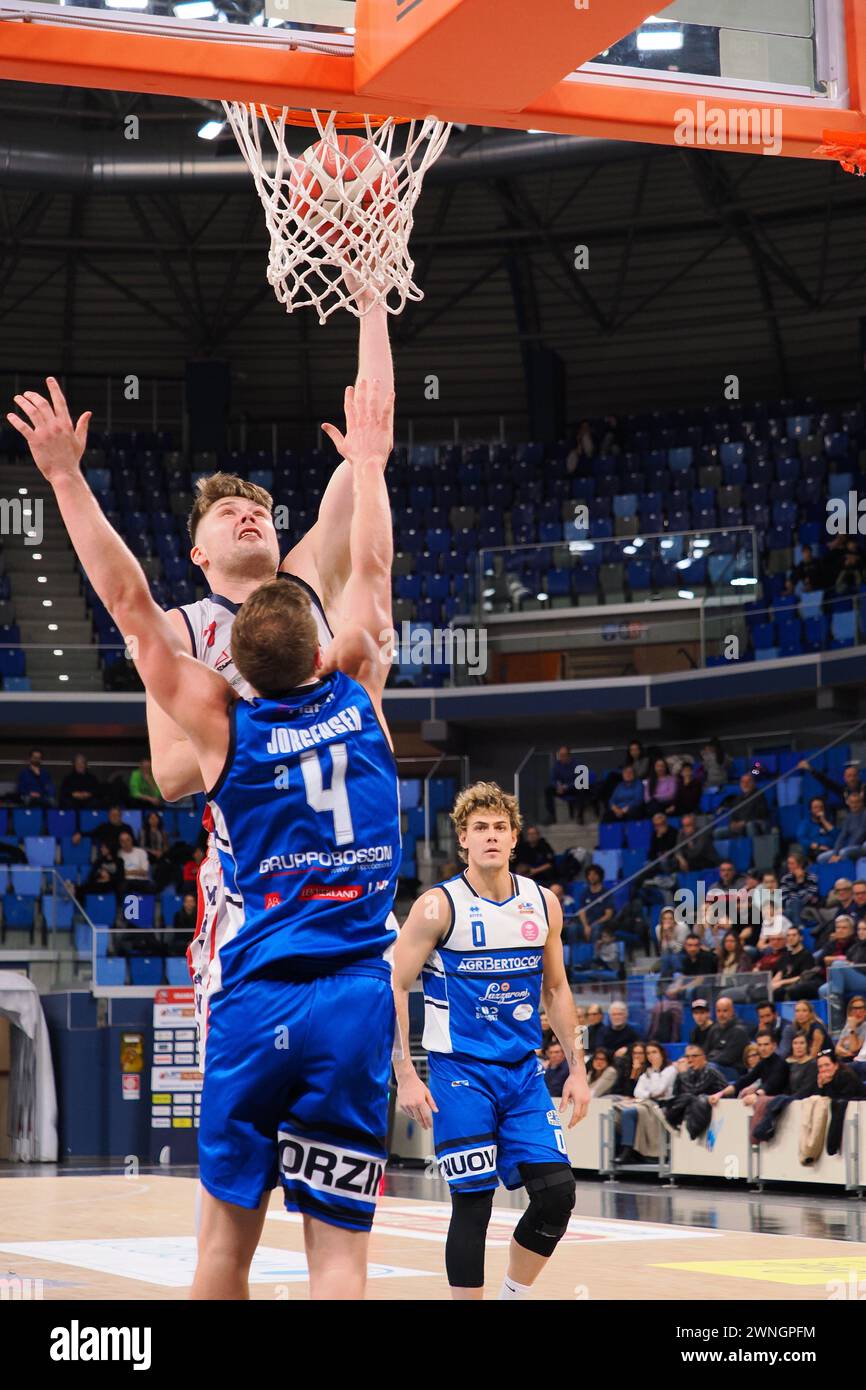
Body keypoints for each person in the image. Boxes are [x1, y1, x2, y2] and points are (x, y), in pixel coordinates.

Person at [13, 373, 402, 1303]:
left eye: (256, 513)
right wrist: (372, 462)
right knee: (335, 1254)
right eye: (227, 513)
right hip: (319, 960)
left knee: (222, 1246)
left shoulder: (250, 672)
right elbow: (374, 580)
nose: (246, 520)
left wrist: (66, 478)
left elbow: (127, 602)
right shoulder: (342, 683)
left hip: (263, 961)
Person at [392, 781, 589, 1302]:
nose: (491, 836)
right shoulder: (438, 907)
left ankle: (512, 1295)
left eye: (500, 827)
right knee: (473, 1203)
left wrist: (578, 1068)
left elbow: (557, 988)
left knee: (557, 1195)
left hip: (523, 1073)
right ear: (463, 839)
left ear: (515, 837)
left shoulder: (543, 903)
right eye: (480, 828)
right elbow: (394, 984)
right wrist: (406, 1073)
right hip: (460, 1073)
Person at [658, 1045, 728, 1140]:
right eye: (687, 1057)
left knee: (688, 1097)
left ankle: (669, 1118)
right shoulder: (690, 1072)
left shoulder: (710, 1071)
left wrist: (682, 1074)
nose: (690, 1060)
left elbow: (694, 1091)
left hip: (722, 1109)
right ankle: (669, 1118)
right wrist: (680, 1075)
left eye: (694, 1056)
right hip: (699, 1109)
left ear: (703, 1057)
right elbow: (676, 1093)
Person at [709, 1030, 789, 1105]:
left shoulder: (781, 1063)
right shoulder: (762, 1063)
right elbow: (745, 1080)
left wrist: (755, 1095)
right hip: (765, 1103)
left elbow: (770, 1085)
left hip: (780, 1105)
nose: (762, 1048)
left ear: (774, 1045)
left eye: (766, 1044)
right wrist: (720, 1094)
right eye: (759, 1045)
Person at [703, 996, 751, 1080]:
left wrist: (706, 1061)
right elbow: (705, 1051)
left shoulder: (739, 1031)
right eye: (718, 1011)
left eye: (725, 1011)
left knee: (709, 1068)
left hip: (734, 1070)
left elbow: (728, 1058)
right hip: (714, 1064)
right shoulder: (714, 1029)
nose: (721, 1014)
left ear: (732, 1011)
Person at [771, 924, 819, 1002]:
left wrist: (781, 983)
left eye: (794, 935)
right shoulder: (785, 955)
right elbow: (779, 974)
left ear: (801, 938)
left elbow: (802, 977)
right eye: (788, 936)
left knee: (780, 992)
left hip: (798, 986)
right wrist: (771, 984)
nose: (791, 938)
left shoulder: (806, 955)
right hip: (783, 986)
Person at [818, 788, 866, 863]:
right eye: (852, 803)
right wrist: (835, 853)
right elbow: (842, 836)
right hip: (849, 847)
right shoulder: (849, 817)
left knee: (844, 852)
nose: (854, 805)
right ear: (848, 803)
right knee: (821, 858)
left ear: (862, 803)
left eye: (857, 802)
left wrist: (841, 854)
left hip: (861, 846)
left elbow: (860, 835)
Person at [717, 772, 770, 838]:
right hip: (739, 827)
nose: (745, 784)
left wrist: (744, 822)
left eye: (748, 782)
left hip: (753, 825)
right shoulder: (738, 799)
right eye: (743, 782)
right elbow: (734, 814)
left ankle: (754, 847)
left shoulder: (759, 796)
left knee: (750, 825)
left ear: (753, 783)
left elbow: (761, 813)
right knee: (717, 833)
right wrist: (732, 823)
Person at [576, 863, 615, 943]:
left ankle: (593, 953)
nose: (591, 877)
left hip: (600, 923)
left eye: (594, 874)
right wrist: (586, 926)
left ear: (600, 876)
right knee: (573, 928)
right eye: (589, 874)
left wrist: (593, 925)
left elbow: (608, 915)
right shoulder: (584, 893)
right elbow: (581, 912)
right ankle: (574, 953)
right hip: (586, 924)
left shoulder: (606, 893)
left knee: (596, 928)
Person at [780, 852, 819, 926]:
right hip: (789, 907)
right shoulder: (785, 879)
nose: (789, 866)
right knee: (791, 907)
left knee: (791, 909)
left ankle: (796, 927)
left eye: (792, 864)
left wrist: (800, 881)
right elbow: (784, 897)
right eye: (788, 863)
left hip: (806, 907)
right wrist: (794, 902)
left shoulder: (812, 878)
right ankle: (798, 927)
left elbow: (810, 897)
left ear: (800, 864)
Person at [545, 746, 580, 823]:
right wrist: (558, 786)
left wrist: (567, 786)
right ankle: (552, 815)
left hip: (573, 788)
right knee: (548, 790)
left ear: (568, 755)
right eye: (560, 755)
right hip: (560, 789)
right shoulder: (557, 765)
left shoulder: (576, 764)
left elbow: (580, 780)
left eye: (563, 755)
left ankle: (580, 816)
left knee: (581, 790)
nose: (561, 757)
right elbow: (553, 779)